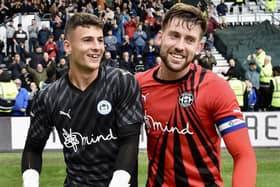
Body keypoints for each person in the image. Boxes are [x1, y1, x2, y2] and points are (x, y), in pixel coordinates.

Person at [135, 3, 257, 187]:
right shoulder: (137, 85)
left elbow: (244, 155)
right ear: (160, 37)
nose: (180, 46)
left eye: (189, 40)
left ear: (199, 47)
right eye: (174, 36)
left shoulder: (215, 88)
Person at [21, 12, 144, 187]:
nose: (97, 47)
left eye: (100, 40)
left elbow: (129, 142)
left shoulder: (122, 82)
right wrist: (30, 182)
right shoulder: (49, 96)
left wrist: (119, 183)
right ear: (68, 46)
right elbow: (32, 149)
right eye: (88, 40)